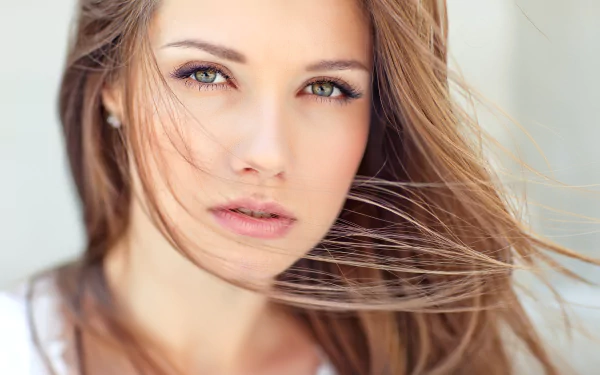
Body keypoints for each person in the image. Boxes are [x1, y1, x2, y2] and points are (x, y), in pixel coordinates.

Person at [0, 0, 596, 374]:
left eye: (327, 88)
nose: (267, 152)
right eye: (206, 75)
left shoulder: (423, 360)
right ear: (112, 83)